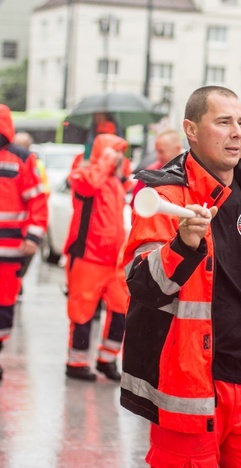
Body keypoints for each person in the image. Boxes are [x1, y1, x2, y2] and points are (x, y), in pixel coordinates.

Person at [119, 86, 241, 466]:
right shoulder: (167, 195)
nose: (237, 132)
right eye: (223, 122)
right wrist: (182, 246)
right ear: (191, 129)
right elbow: (142, 285)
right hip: (191, 388)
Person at [63, 133, 130, 381]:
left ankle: (107, 359)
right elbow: (88, 184)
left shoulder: (114, 182)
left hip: (114, 261)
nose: (121, 158)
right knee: (82, 313)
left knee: (120, 309)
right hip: (87, 257)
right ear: (104, 155)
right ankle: (76, 363)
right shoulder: (83, 175)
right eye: (116, 153)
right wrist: (105, 160)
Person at [0, 105, 48, 381]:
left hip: (10, 250)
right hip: (11, 248)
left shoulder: (22, 159)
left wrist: (32, 236)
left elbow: (37, 201)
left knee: (5, 304)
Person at [11, 131, 49, 303]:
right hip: (15, 224)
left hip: (26, 224)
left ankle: (17, 284)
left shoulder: (34, 164)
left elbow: (42, 194)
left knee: (20, 264)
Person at [131, 129, 184, 203]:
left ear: (177, 149)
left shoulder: (190, 171)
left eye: (161, 151)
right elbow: (136, 204)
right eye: (157, 151)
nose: (158, 156)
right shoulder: (149, 174)